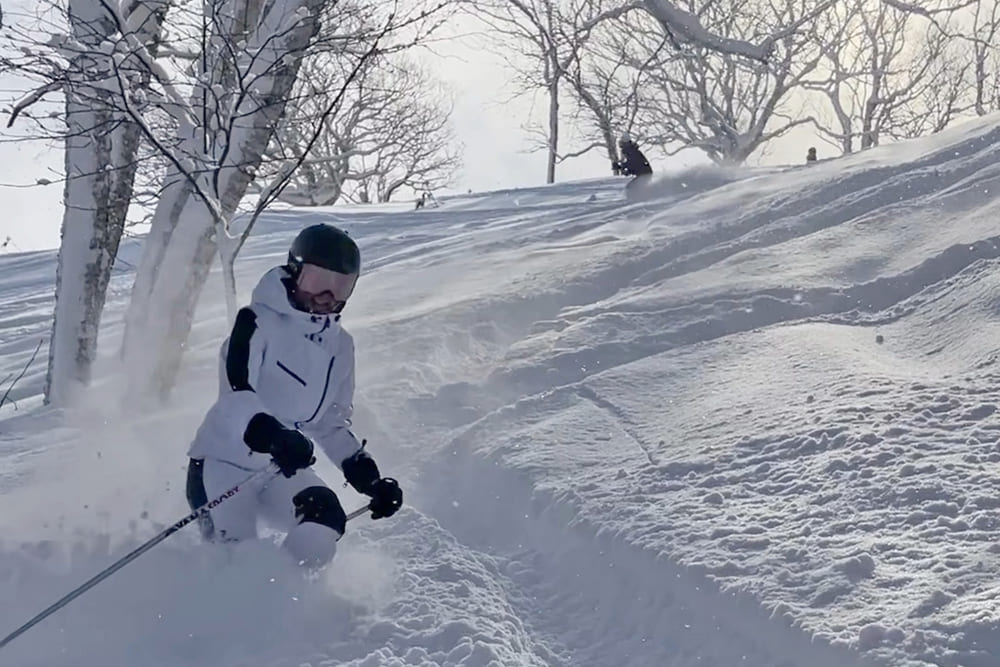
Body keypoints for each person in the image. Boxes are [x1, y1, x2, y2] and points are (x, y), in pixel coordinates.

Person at [185, 223, 403, 567]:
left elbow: (330, 422)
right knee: (233, 560)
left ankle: (285, 600)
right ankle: (225, 605)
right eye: (318, 282)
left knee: (325, 517)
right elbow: (236, 394)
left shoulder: (340, 347)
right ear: (295, 272)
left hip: (279, 469)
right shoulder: (257, 321)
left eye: (340, 287)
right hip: (222, 464)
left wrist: (370, 480)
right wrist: (273, 436)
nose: (327, 297)